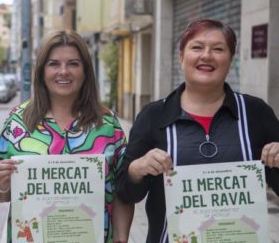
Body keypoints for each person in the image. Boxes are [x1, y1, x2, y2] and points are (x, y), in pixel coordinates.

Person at [115, 18, 279, 242]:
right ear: (181, 57)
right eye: (197, 47)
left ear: (231, 59)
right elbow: (125, 191)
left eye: (218, 49)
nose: (206, 56)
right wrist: (138, 168)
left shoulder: (256, 113)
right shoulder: (153, 116)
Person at [0, 29, 134, 243]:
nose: (63, 71)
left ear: (85, 70)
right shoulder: (17, 122)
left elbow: (123, 191)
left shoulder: (108, 124)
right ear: (41, 71)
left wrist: (122, 238)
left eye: (73, 64)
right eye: (54, 64)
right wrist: (2, 184)